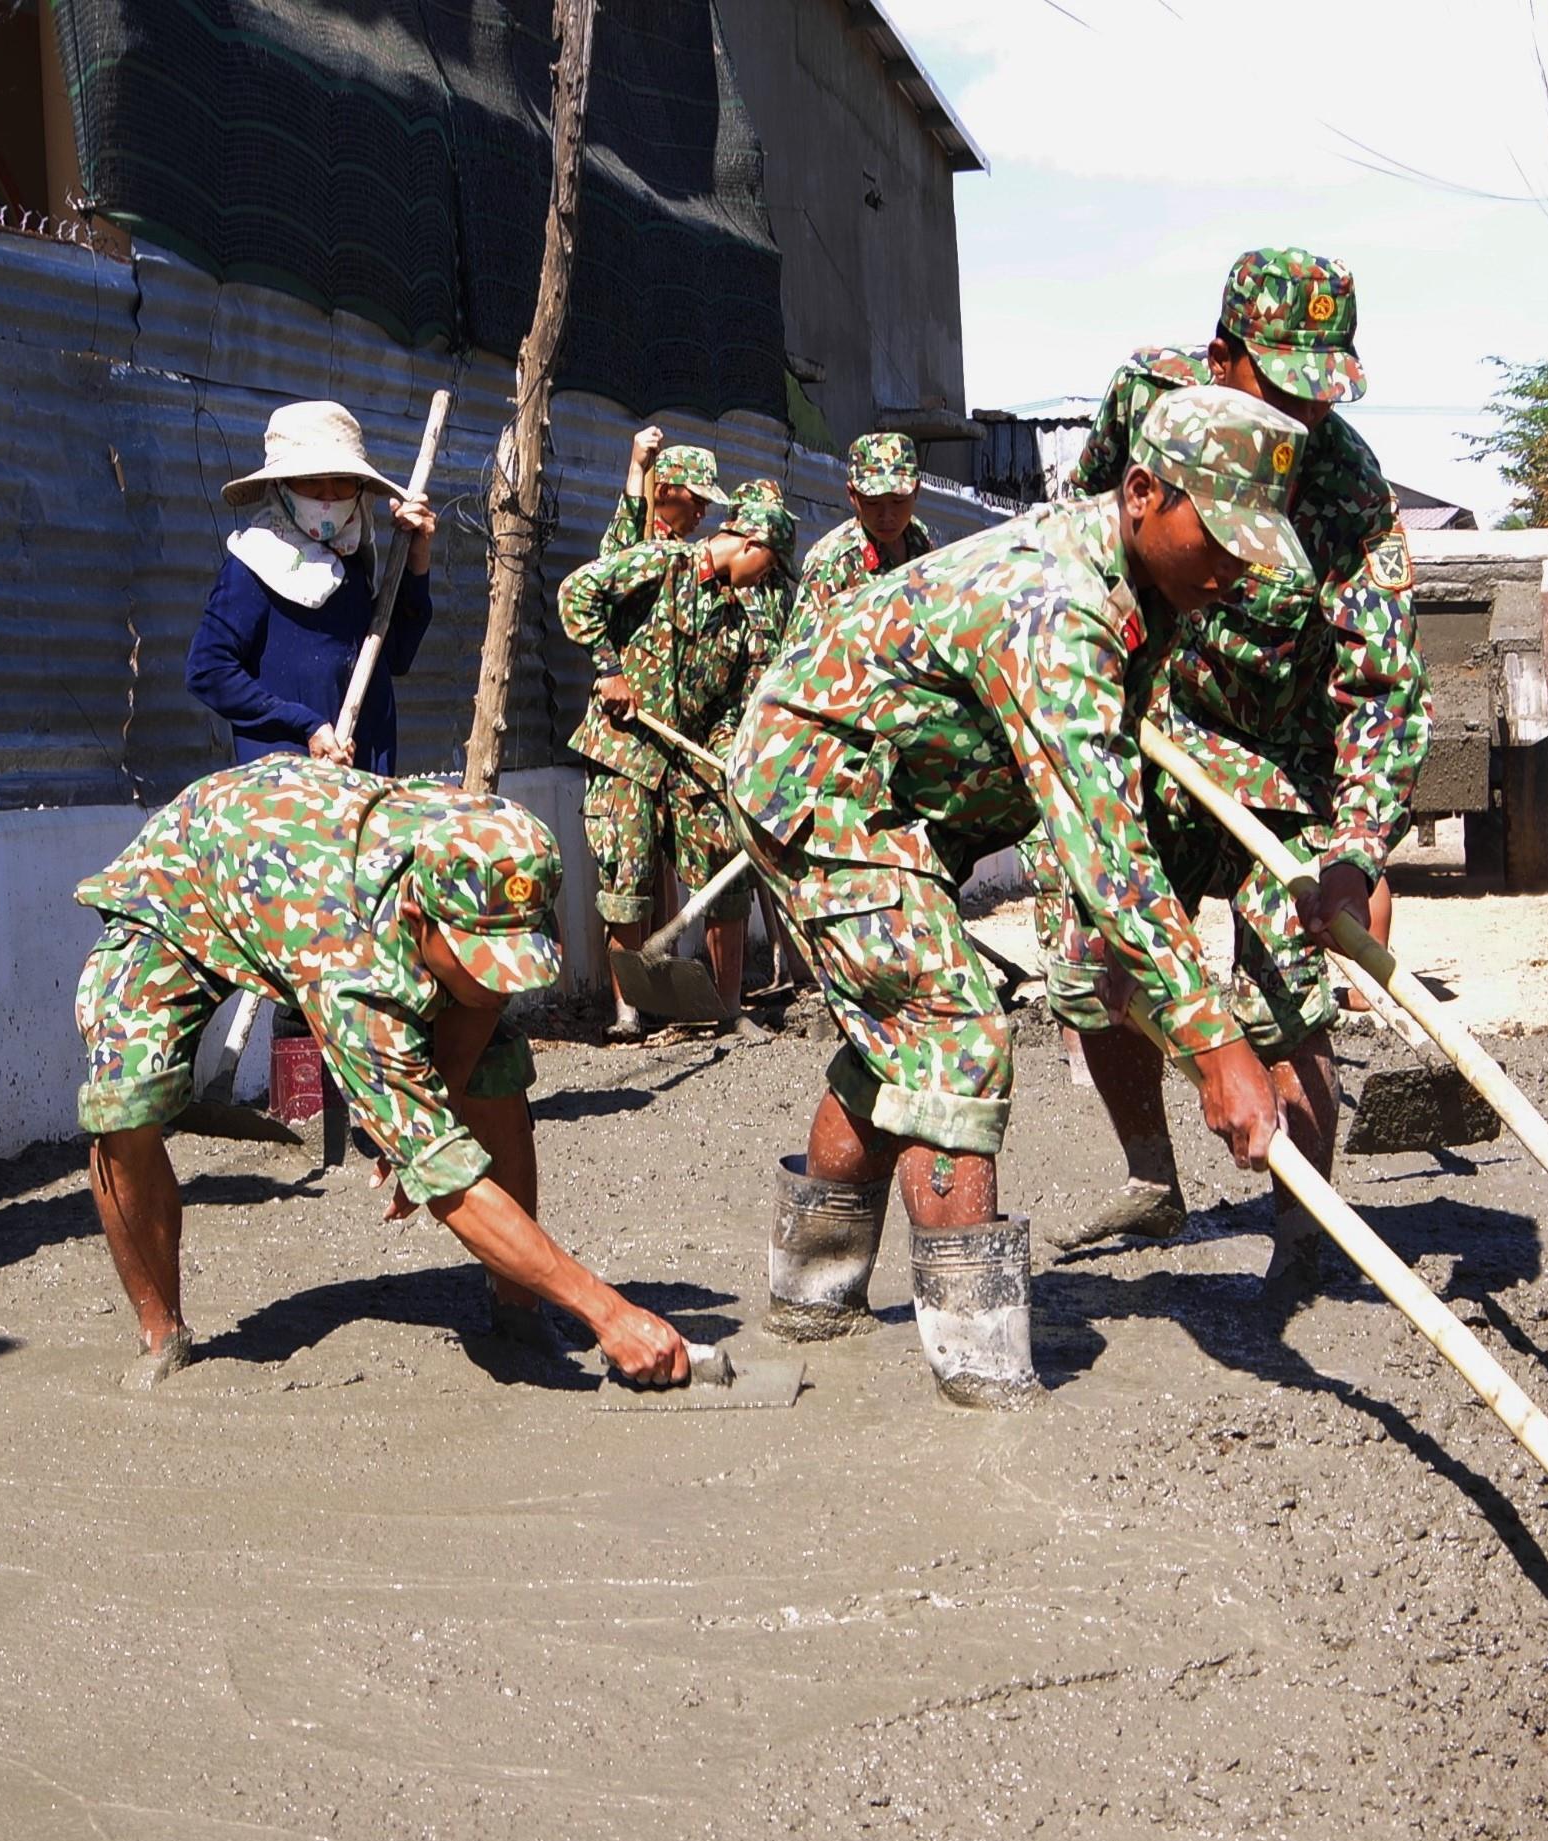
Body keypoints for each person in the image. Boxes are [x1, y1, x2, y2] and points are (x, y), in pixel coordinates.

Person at [731, 384, 1303, 1407]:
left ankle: (811, 1294)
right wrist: (1216, 1044)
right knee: (954, 1031)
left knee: (896, 1035)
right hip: (823, 785)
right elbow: (1101, 837)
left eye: (1253, 545)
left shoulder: (1150, 587)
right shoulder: (1057, 603)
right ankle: (980, 1374)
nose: (1234, 566)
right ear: (1142, 492)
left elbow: (1126, 760)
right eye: (1218, 535)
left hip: (900, 797)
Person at [1038, 247, 1430, 1283]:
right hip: (1159, 730)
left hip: (1280, 762)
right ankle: (1151, 1179)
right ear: (1223, 357)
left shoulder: (1346, 489)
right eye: (1283, 385)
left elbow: (1382, 682)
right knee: (1097, 953)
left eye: (1322, 392)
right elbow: (1092, 531)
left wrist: (1355, 845)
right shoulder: (1148, 399)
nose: (1304, 418)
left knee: (1287, 993)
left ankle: (1305, 1232)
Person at [71, 760, 694, 1391]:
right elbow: (447, 1183)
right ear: (420, 922)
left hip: (299, 862)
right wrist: (608, 1313)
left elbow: (482, 1004)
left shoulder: (506, 871)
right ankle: (162, 1332)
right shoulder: (353, 972)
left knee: (495, 1068)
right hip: (183, 882)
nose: (497, 977)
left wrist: (429, 1107)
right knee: (125, 1100)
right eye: (480, 960)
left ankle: (519, 1311)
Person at [558, 481, 791, 1037]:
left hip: (688, 759)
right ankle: (628, 1013)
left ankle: (728, 1010)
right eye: (766, 569)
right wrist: (609, 669)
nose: (764, 584)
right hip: (626, 748)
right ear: (751, 545)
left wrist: (728, 750)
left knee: (722, 863)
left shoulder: (739, 622)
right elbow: (576, 592)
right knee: (627, 875)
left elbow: (730, 701)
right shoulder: (661, 564)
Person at [187, 399, 437, 772]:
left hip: (362, 788)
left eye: (340, 481)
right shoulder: (254, 565)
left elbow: (395, 657)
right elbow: (207, 671)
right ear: (281, 487)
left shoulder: (350, 564)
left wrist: (417, 561)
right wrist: (306, 724)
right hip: (290, 799)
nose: (328, 495)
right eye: (311, 481)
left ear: (359, 489)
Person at [793, 431, 936, 627]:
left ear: (916, 491)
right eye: (873, 503)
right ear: (852, 495)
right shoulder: (831, 562)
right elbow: (801, 648)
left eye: (898, 501)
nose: (887, 516)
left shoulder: (919, 539)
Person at [604, 427, 718, 553]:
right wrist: (636, 469)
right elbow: (614, 559)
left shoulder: (679, 549)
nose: (702, 514)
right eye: (697, 501)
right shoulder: (638, 537)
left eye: (706, 504)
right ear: (665, 492)